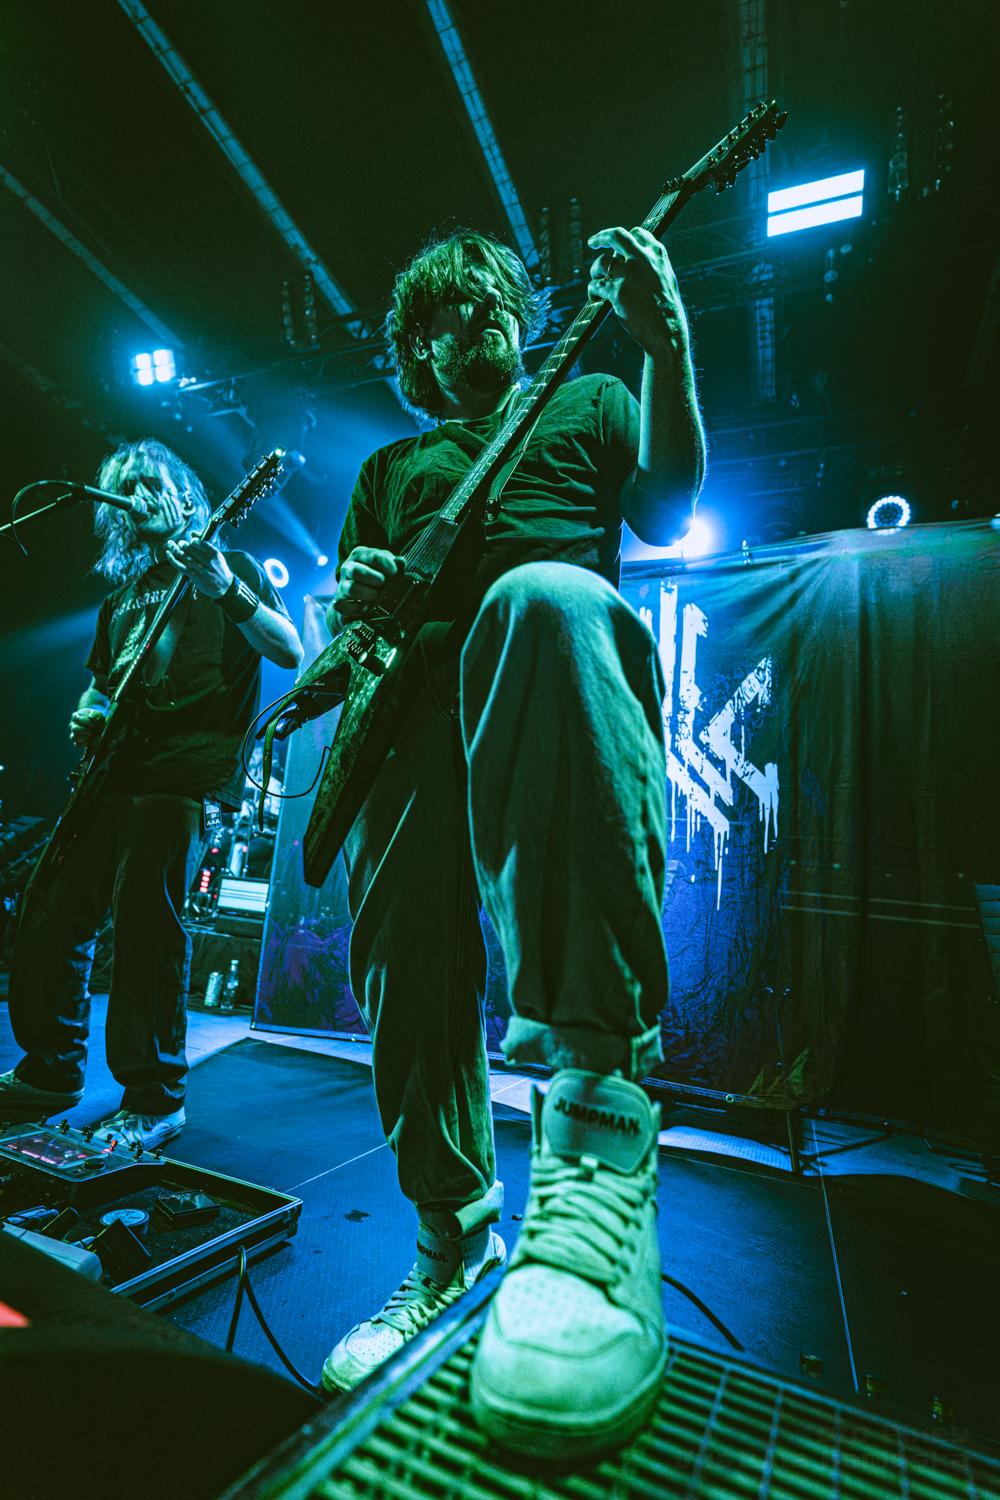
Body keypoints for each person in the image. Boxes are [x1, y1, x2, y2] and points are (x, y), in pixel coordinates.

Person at [319, 224, 705, 1459]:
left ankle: (595, 1146)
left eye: (490, 299)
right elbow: (346, 626)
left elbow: (670, 506)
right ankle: (450, 1244)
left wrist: (665, 344)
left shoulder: (588, 400)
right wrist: (355, 598)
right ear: (416, 354)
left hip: (548, 676)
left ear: (521, 314)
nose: (473, 319)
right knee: (408, 971)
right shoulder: (390, 466)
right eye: (444, 315)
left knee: (542, 594)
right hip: (408, 722)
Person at [0, 440, 303, 1150]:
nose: (135, 495)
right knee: (47, 917)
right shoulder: (122, 597)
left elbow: (289, 649)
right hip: (111, 776)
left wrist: (224, 586)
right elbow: (101, 685)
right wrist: (89, 711)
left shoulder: (229, 568)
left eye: (148, 482)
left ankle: (155, 1096)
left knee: (147, 931)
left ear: (184, 495)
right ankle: (50, 1071)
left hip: (182, 777)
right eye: (125, 485)